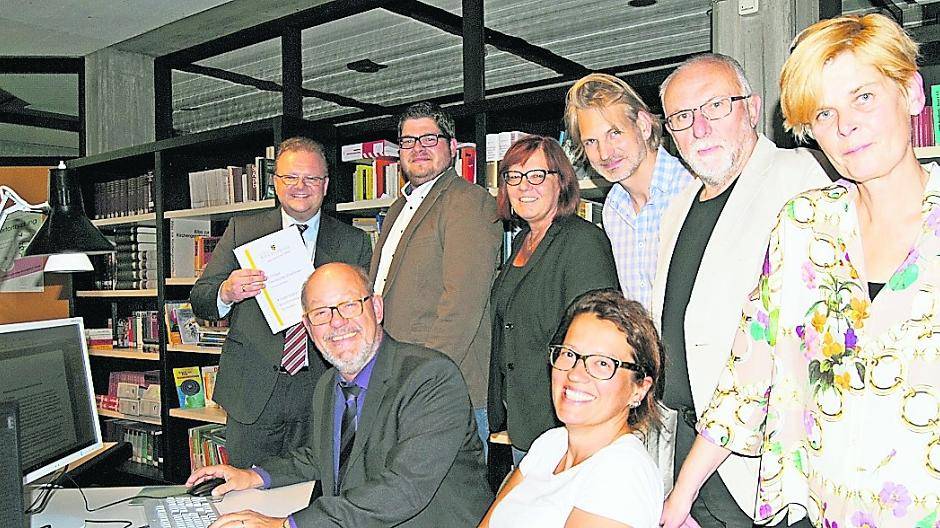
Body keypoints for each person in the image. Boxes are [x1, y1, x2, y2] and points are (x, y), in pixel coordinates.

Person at [662, 14, 940, 528]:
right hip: (816, 513)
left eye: (863, 97)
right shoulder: (806, 225)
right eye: (823, 113)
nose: (845, 126)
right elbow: (748, 374)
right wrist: (680, 495)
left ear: (912, 93)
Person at [651, 53, 830, 526]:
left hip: (765, 454)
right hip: (687, 444)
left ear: (751, 108)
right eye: (682, 118)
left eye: (715, 107)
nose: (699, 129)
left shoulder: (802, 181)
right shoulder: (678, 207)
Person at [187, 263, 493, 527]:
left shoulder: (430, 378)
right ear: (307, 326)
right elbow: (323, 455)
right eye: (321, 313)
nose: (337, 322)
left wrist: (288, 524)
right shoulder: (329, 385)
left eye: (349, 305)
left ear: (376, 308)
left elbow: (403, 489)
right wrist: (254, 477)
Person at [190, 137, 372, 468]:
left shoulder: (353, 242)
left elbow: (366, 314)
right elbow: (201, 299)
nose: (300, 187)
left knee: (314, 490)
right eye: (290, 177)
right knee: (246, 491)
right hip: (251, 394)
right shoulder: (242, 231)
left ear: (326, 185)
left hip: (320, 390)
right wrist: (226, 292)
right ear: (276, 183)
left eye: (311, 179)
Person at [370, 101, 503, 447]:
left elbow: (461, 307)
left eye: (429, 139)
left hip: (444, 386)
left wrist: (421, 379)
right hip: (394, 379)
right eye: (408, 141)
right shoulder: (399, 208)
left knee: (451, 499)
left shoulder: (469, 202)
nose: (418, 149)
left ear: (453, 147)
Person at [481, 288, 664, 528]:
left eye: (602, 363)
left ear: (639, 389)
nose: (576, 373)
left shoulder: (623, 472)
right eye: (569, 354)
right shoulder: (551, 445)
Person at [487, 135, 619, 464]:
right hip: (525, 423)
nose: (523, 186)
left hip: (567, 422)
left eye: (536, 175)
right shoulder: (520, 242)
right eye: (513, 176)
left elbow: (597, 341)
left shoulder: (582, 243)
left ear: (560, 182)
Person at [564, 73, 693, 310]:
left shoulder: (690, 190)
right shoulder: (613, 209)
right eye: (591, 142)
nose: (604, 153)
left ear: (643, 125)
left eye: (614, 133)